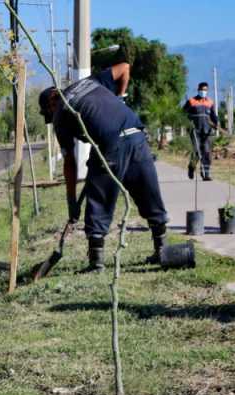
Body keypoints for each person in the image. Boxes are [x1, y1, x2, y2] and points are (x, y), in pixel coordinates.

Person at [39, 63, 169, 271]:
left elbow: (70, 163)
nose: (51, 116)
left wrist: (72, 202)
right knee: (148, 193)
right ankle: (163, 250)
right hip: (136, 135)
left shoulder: (61, 114)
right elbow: (125, 67)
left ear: (51, 102)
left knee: (99, 198)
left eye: (48, 112)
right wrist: (121, 97)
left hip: (111, 146)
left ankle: (96, 262)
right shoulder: (89, 82)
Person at [182, 82, 221, 181]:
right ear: (198, 89)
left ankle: (206, 174)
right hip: (195, 131)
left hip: (207, 131)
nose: (204, 91)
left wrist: (216, 124)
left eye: (205, 90)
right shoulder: (191, 101)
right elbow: (182, 114)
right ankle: (191, 167)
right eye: (202, 89)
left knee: (207, 152)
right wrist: (188, 123)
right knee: (197, 152)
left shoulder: (210, 102)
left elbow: (213, 116)